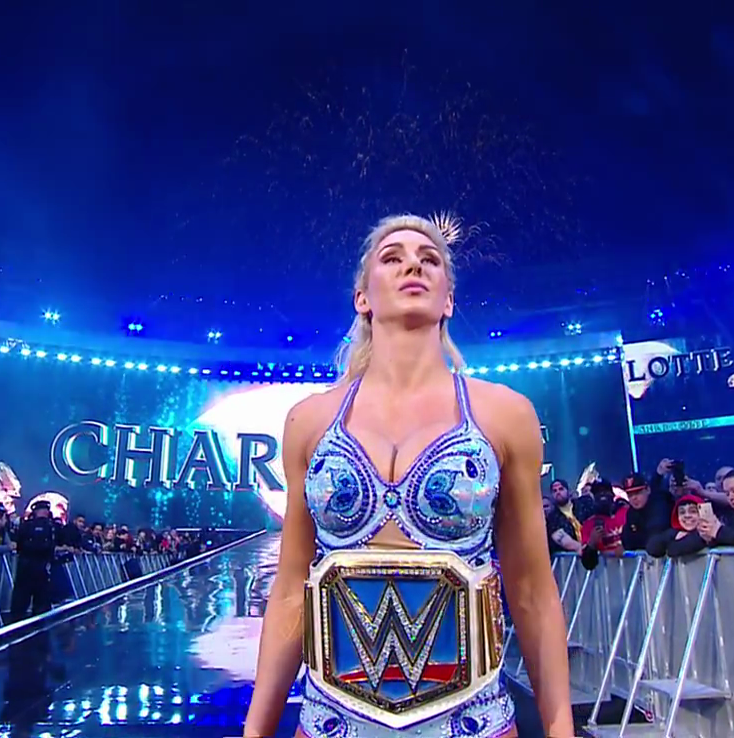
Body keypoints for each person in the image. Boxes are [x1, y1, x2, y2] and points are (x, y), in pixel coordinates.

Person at [243, 215, 574, 738]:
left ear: (449, 301)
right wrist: (256, 731)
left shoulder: (505, 414)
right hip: (333, 724)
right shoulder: (308, 421)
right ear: (362, 298)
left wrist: (561, 730)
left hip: (473, 724)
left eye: (430, 259)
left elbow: (532, 590)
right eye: (392, 257)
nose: (413, 265)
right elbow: (290, 590)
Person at [10, 499, 57, 621]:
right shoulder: (50, 527)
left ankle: (16, 625)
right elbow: (51, 546)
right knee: (39, 601)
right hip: (39, 566)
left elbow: (19, 544)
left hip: (26, 565)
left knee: (21, 601)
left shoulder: (26, 525)